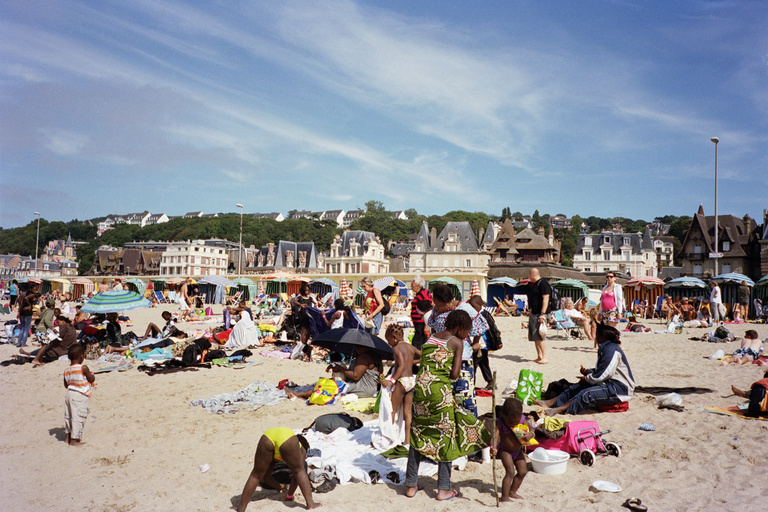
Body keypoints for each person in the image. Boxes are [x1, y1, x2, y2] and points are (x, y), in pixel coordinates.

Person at [406, 309, 490, 501]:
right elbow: (454, 374)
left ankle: (411, 484)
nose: (467, 335)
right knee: (446, 435)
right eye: (467, 331)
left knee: (417, 434)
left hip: (420, 391)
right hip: (439, 393)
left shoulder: (432, 337)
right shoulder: (456, 342)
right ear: (459, 328)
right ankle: (444, 488)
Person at [534, 323, 635, 415]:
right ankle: (551, 403)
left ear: (602, 337)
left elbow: (602, 375)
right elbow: (604, 371)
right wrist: (588, 373)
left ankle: (560, 409)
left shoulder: (611, 350)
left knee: (586, 393)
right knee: (577, 386)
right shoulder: (606, 348)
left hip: (620, 388)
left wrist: (587, 378)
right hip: (609, 383)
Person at [427, 284, 488, 415]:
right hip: (441, 355)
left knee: (464, 399)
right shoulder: (436, 310)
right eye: (435, 305)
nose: (436, 308)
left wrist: (476, 343)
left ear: (448, 301)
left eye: (439, 305)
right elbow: (433, 327)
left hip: (462, 356)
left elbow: (479, 326)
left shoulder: (464, 308)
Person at [234, 429, 319, 511]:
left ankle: (241, 508)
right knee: (299, 471)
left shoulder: (277, 451)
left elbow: (267, 477)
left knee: (256, 475)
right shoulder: (301, 448)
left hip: (267, 436)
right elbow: (296, 477)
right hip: (287, 439)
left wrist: (280, 487)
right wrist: (289, 496)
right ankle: (311, 504)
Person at [288, 345, 383, 399]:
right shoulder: (376, 356)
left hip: (364, 388)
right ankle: (302, 392)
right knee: (329, 383)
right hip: (372, 388)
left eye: (359, 347)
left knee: (329, 386)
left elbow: (356, 376)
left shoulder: (363, 357)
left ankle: (298, 394)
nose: (357, 349)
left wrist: (341, 369)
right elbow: (380, 373)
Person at [382, 324, 420, 445]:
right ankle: (407, 440)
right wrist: (412, 361)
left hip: (402, 381)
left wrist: (392, 380)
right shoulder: (410, 347)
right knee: (408, 412)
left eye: (389, 341)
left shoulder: (396, 348)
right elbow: (422, 356)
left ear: (394, 337)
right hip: (411, 380)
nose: (389, 344)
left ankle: (389, 438)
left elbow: (401, 366)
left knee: (392, 410)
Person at [492, 398, 530, 501]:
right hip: (506, 451)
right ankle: (504, 497)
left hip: (518, 451)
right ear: (503, 415)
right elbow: (494, 437)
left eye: (515, 422)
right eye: (510, 423)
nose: (513, 424)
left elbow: (531, 430)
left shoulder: (522, 419)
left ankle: (512, 492)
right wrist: (493, 448)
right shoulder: (500, 423)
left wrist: (528, 435)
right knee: (510, 472)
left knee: (523, 472)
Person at [63, 344, 95, 446]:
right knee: (77, 417)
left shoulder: (67, 370)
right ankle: (74, 440)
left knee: (69, 416)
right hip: (79, 395)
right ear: (81, 356)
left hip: (69, 394)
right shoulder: (83, 368)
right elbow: (91, 379)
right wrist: (91, 375)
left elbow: (66, 384)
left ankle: (67, 437)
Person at [468, 295, 496, 389]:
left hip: (482, 344)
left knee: (475, 364)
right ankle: (491, 382)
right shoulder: (471, 314)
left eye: (473, 306)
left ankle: (472, 384)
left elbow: (493, 328)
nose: (472, 308)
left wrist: (498, 341)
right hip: (478, 344)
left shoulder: (484, 314)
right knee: (483, 363)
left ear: (480, 305)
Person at [526, 268, 552, 364]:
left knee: (540, 335)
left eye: (529, 275)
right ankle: (539, 356)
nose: (528, 277)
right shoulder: (534, 284)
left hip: (540, 313)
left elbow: (546, 298)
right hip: (534, 312)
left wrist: (542, 313)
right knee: (535, 336)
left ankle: (545, 357)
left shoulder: (543, 283)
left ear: (532, 274)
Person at [409, 276, 433, 349]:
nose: (411, 286)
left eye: (412, 284)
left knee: (417, 340)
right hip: (418, 322)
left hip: (421, 322)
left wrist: (426, 325)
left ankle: (416, 357)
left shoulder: (424, 293)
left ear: (418, 285)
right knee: (420, 340)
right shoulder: (419, 293)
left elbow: (428, 308)